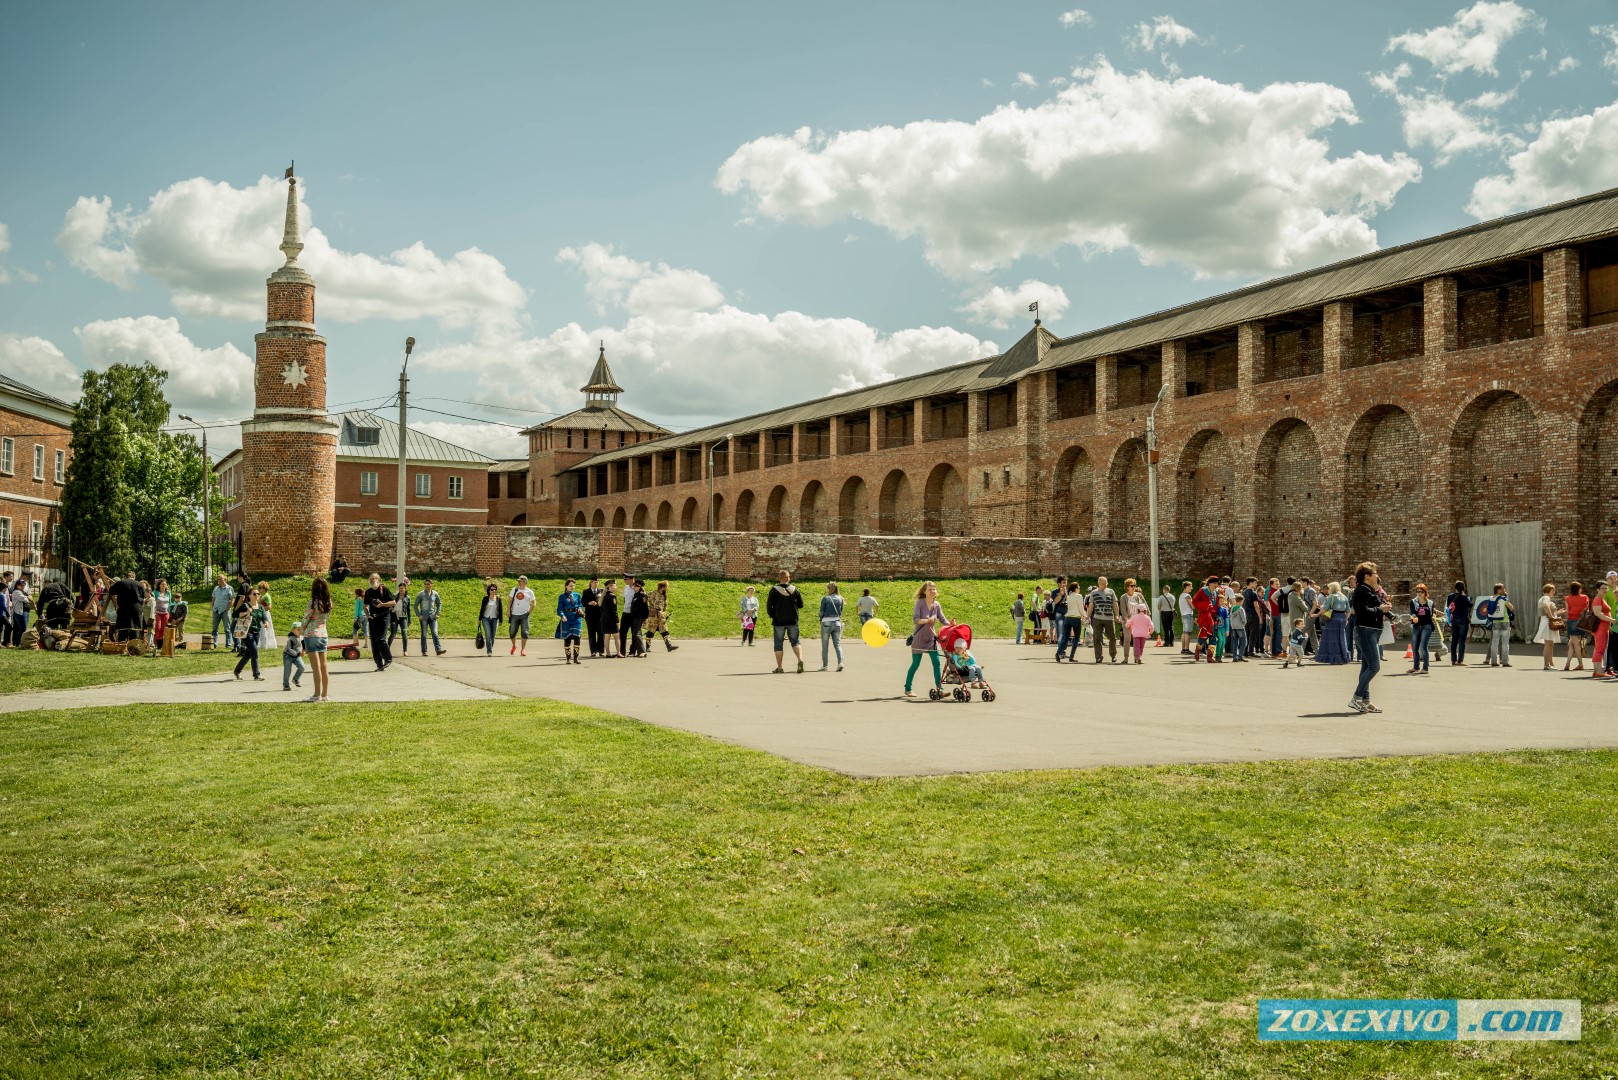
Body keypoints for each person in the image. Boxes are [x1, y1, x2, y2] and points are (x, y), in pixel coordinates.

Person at [1349, 562, 1389, 713]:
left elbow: (1375, 609)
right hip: (1365, 631)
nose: (1377, 576)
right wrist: (1380, 609)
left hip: (1372, 631)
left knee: (1366, 666)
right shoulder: (1361, 591)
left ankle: (1365, 700)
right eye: (1375, 574)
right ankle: (1356, 697)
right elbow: (1362, 611)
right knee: (1374, 666)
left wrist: (1387, 611)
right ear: (1367, 576)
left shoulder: (1370, 590)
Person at [904, 581, 948, 700]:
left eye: (934, 589)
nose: (932, 591)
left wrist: (951, 625)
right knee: (915, 664)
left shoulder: (937, 605)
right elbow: (916, 619)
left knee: (937, 664)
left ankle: (940, 689)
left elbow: (943, 620)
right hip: (919, 639)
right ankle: (908, 689)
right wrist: (926, 620)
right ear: (924, 591)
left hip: (931, 640)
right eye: (930, 589)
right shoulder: (920, 603)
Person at [767, 570, 805, 673]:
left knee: (778, 644)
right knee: (795, 641)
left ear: (779, 578)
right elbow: (801, 604)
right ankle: (800, 660)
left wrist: (772, 615)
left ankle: (780, 668)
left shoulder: (774, 590)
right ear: (788, 578)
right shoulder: (794, 589)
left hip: (779, 621)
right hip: (793, 620)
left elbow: (769, 606)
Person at [301, 578, 332, 703]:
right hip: (323, 634)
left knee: (316, 667)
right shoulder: (328, 602)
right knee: (324, 666)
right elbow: (327, 618)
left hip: (311, 634)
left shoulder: (313, 602)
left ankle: (316, 694)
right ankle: (325, 695)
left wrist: (302, 629)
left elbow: (306, 618)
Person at [363, 573, 396, 671]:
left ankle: (388, 659)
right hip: (373, 618)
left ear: (379, 580)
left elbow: (393, 602)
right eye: (370, 579)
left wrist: (382, 604)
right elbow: (365, 605)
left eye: (374, 579)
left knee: (380, 639)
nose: (372, 580)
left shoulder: (384, 590)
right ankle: (379, 665)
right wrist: (367, 615)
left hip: (384, 616)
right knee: (373, 641)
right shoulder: (368, 592)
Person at [1086, 576, 1120, 664]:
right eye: (1103, 584)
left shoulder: (1111, 591)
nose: (1105, 585)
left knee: (1112, 637)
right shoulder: (1094, 593)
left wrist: (1117, 615)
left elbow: (1115, 604)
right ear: (1099, 584)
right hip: (1097, 618)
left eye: (1106, 583)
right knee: (1097, 638)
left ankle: (1113, 655)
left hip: (1109, 618)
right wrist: (1088, 616)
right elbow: (1091, 605)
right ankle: (1098, 657)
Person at [1314, 581, 1350, 665]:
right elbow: (1348, 611)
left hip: (1333, 618)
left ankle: (1333, 657)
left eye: (1329, 588)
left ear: (1332, 588)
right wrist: (1346, 619)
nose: (1328, 590)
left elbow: (1324, 609)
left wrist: (1317, 615)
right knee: (1341, 638)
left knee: (1332, 638)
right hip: (1342, 618)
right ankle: (1343, 656)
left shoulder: (1332, 596)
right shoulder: (1344, 597)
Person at [233, 593, 267, 682]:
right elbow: (234, 614)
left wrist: (265, 622)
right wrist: (246, 612)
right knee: (255, 652)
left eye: (258, 594)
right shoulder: (245, 605)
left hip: (256, 632)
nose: (257, 595)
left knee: (249, 654)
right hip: (247, 632)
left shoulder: (260, 607)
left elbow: (264, 616)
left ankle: (237, 671)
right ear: (250, 596)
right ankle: (256, 675)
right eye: (254, 594)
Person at [1481, 583, 1514, 667]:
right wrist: (1506, 599)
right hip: (1504, 621)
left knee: (1494, 642)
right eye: (1503, 589)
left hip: (1495, 622)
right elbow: (1511, 608)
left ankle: (1494, 661)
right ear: (1499, 590)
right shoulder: (1503, 599)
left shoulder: (1491, 599)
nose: (1504, 590)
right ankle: (1505, 661)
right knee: (1505, 643)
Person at [1534, 583, 1563, 670]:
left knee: (1550, 643)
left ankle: (1550, 663)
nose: (1554, 592)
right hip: (1547, 621)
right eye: (1553, 590)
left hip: (1546, 621)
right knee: (1548, 643)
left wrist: (1557, 613)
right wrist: (1551, 617)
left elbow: (1546, 607)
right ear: (1549, 590)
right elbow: (1545, 606)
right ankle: (1547, 664)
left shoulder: (1544, 598)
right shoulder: (1546, 598)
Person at [1408, 584, 1436, 674]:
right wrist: (1414, 617)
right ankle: (1416, 667)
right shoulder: (1413, 601)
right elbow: (1412, 612)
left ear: (1425, 593)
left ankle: (1425, 668)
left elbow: (1431, 614)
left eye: (1421, 592)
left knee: (1423, 646)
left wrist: (1435, 616)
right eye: (1418, 591)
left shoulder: (1430, 603)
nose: (1419, 593)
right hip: (1416, 626)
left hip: (1427, 626)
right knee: (1415, 647)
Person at [819, 581, 846, 671]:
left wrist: (820, 620)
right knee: (837, 644)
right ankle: (841, 662)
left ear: (830, 589)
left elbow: (821, 612)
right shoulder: (840, 599)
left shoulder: (825, 599)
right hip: (837, 623)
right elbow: (840, 612)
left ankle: (825, 665)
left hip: (826, 622)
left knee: (825, 645)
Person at [1445, 581, 1473, 666]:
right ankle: (1460, 660)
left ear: (1455, 588)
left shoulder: (1450, 596)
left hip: (1454, 620)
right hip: (1463, 620)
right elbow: (1470, 605)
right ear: (1463, 588)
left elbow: (1449, 605)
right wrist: (1464, 594)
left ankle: (1453, 660)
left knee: (1454, 640)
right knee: (1462, 641)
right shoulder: (1464, 597)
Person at [646, 581, 679, 652]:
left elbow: (665, 605)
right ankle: (647, 647)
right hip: (653, 615)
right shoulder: (653, 593)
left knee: (664, 630)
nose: (667, 588)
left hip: (661, 616)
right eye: (666, 586)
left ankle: (669, 646)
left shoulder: (664, 595)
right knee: (651, 631)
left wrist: (664, 612)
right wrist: (650, 609)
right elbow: (646, 599)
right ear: (662, 587)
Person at [557, 578, 584, 664]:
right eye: (570, 586)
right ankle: (568, 658)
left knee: (577, 637)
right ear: (566, 586)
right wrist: (562, 615)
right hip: (567, 619)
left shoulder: (577, 595)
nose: (572, 587)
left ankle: (576, 658)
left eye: (573, 585)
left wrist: (580, 609)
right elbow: (559, 609)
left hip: (576, 618)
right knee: (567, 638)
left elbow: (580, 605)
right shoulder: (562, 596)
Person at [1564, 581, 1590, 672]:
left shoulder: (1568, 598)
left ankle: (1580, 664)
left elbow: (1567, 611)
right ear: (1579, 589)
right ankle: (1568, 664)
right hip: (1582, 622)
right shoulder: (1585, 597)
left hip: (1572, 621)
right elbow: (1586, 609)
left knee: (1574, 644)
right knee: (1573, 643)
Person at [1053, 581, 1080, 663]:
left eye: (1066, 583)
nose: (1065, 584)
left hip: (1067, 616)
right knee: (1075, 638)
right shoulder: (1078, 596)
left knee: (1065, 636)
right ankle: (1071, 656)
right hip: (1071, 617)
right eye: (1063, 582)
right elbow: (1055, 601)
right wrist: (1084, 616)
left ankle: (1059, 652)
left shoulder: (1068, 595)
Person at [508, 575, 535, 656]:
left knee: (524, 632)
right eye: (519, 581)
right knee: (512, 632)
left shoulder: (529, 591)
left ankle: (523, 650)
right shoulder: (514, 590)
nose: (519, 582)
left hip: (524, 614)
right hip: (514, 614)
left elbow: (534, 603)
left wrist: (529, 612)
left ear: (525, 582)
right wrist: (508, 611)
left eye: (521, 581)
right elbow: (509, 601)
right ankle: (514, 645)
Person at [416, 579, 444, 656]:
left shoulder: (435, 594)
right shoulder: (421, 594)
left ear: (432, 585)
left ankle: (438, 650)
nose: (427, 586)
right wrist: (419, 615)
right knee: (424, 634)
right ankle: (424, 651)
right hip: (424, 617)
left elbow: (439, 604)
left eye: (428, 584)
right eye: (425, 584)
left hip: (432, 617)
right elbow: (415, 605)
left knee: (435, 633)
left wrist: (437, 613)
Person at [1191, 577, 1216, 662]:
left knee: (1213, 637)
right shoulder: (1203, 590)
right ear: (1209, 583)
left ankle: (1210, 656)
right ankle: (1197, 650)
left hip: (1214, 617)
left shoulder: (1216, 592)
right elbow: (1194, 602)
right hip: (1205, 616)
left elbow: (1217, 604)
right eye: (1213, 583)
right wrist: (1206, 605)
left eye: (1216, 583)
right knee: (1203, 636)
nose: (1215, 585)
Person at [387, 578, 412, 656]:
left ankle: (405, 650)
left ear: (405, 589)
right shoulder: (395, 596)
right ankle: (387, 649)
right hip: (394, 617)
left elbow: (408, 609)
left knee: (404, 633)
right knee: (393, 633)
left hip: (403, 618)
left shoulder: (407, 598)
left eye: (403, 588)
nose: (401, 590)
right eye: (400, 588)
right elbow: (390, 605)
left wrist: (409, 620)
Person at [627, 579, 650, 657]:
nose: (633, 587)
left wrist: (645, 617)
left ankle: (643, 651)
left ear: (639, 587)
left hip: (640, 617)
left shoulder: (642, 595)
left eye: (635, 586)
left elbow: (646, 607)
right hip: (635, 617)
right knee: (635, 634)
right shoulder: (636, 594)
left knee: (637, 633)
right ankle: (636, 651)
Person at [582, 577, 604, 657]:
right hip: (590, 615)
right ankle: (593, 650)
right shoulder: (586, 592)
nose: (596, 583)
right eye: (594, 582)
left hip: (600, 615)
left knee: (601, 633)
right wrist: (589, 603)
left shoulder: (601, 591)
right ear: (591, 583)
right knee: (591, 633)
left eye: (597, 582)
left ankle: (601, 650)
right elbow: (583, 603)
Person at [479, 583, 503, 657]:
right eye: (492, 589)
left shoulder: (498, 599)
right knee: (488, 635)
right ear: (489, 591)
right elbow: (482, 609)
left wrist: (501, 620)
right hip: (485, 618)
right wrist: (479, 619)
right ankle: (489, 651)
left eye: (495, 589)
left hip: (494, 619)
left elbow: (500, 610)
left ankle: (490, 648)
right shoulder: (485, 598)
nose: (493, 591)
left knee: (493, 636)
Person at [282, 623, 306, 691]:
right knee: (287, 671)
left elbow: (304, 644)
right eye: (298, 630)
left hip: (296, 656)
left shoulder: (301, 637)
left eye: (301, 630)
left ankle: (295, 679)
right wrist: (298, 653)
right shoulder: (291, 639)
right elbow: (290, 649)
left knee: (302, 667)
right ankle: (286, 685)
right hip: (288, 656)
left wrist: (303, 651)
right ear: (292, 630)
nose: (300, 631)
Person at [618, 580, 638, 656]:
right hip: (625, 613)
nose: (624, 580)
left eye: (626, 579)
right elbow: (624, 599)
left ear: (631, 580)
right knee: (622, 632)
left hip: (633, 614)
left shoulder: (637, 588)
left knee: (634, 633)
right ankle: (622, 651)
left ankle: (633, 651)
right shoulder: (626, 588)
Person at [600, 581, 620, 657]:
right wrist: (617, 620)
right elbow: (614, 610)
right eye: (615, 586)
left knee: (607, 636)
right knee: (616, 636)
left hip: (604, 619)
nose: (616, 587)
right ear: (610, 586)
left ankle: (608, 653)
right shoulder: (612, 596)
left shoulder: (604, 596)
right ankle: (618, 652)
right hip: (611, 620)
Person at [152, 579, 172, 648]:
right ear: (159, 585)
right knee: (158, 627)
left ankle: (162, 643)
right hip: (157, 612)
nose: (164, 585)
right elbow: (153, 601)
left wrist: (170, 611)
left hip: (165, 613)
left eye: (165, 584)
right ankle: (155, 643)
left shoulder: (168, 593)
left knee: (164, 628)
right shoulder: (155, 592)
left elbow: (170, 603)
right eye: (162, 584)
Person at [1228, 595, 1248, 662]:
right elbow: (1243, 619)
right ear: (1241, 601)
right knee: (1243, 641)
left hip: (1233, 627)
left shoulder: (1233, 608)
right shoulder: (1241, 609)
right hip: (1240, 627)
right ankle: (1240, 656)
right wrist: (1244, 623)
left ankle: (1234, 656)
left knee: (1235, 642)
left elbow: (1230, 617)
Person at [1177, 581, 1196, 653]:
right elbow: (1193, 606)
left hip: (1183, 615)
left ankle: (1183, 649)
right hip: (1188, 614)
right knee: (1188, 633)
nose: (1192, 588)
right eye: (1191, 586)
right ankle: (1187, 649)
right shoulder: (1187, 596)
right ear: (1187, 587)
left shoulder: (1181, 595)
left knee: (1184, 632)